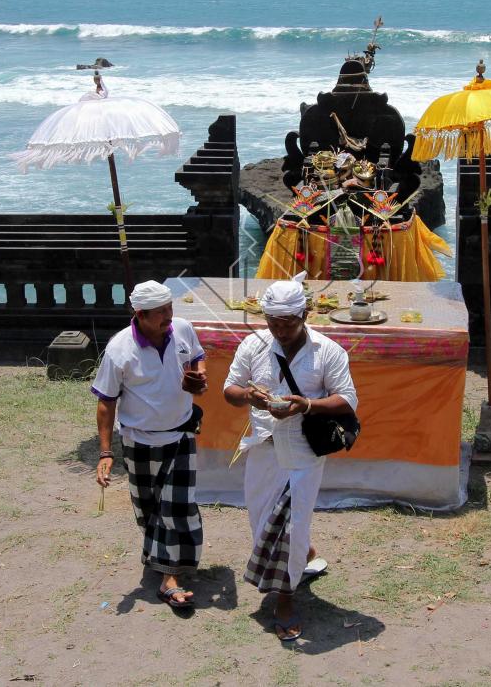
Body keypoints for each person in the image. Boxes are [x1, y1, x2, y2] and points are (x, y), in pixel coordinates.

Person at [223, 271, 359, 641]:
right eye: (273, 322)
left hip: (302, 454)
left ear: (306, 314)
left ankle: (285, 597)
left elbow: (347, 399)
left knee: (293, 523)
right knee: (261, 520)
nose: (280, 330)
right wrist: (249, 396)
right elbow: (229, 389)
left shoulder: (327, 351)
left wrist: (307, 405)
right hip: (263, 449)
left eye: (288, 323)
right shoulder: (253, 346)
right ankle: (304, 555)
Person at [91, 280, 207, 610]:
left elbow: (199, 357)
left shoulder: (182, 329)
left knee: (177, 506)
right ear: (140, 315)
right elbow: (105, 402)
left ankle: (170, 578)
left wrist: (199, 376)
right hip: (139, 441)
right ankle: (159, 557)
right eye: (160, 313)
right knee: (149, 508)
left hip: (181, 434)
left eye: (170, 308)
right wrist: (105, 452)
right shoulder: (119, 350)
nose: (169, 317)